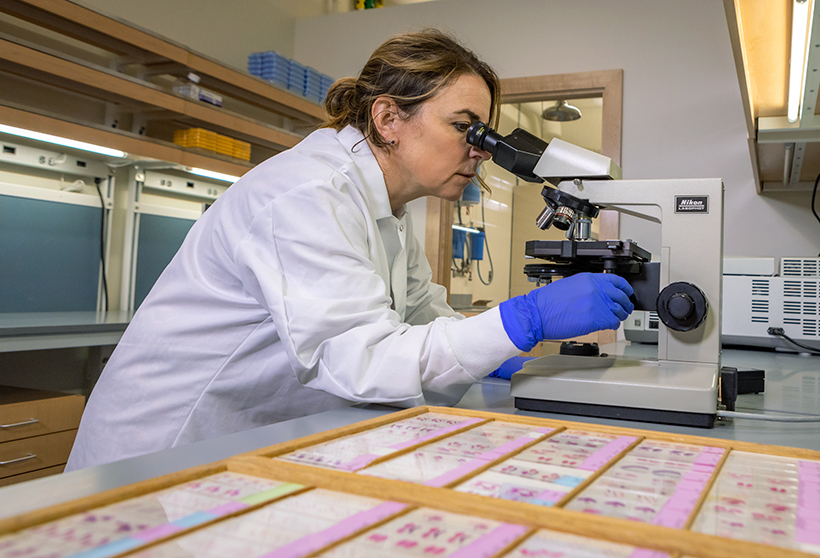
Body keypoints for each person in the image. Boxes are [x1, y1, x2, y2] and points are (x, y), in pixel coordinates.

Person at [66, 30, 633, 471]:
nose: (482, 151)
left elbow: (419, 314)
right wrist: (523, 320)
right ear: (388, 118)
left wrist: (501, 354)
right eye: (466, 127)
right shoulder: (306, 194)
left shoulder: (387, 206)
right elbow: (361, 360)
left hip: (250, 444)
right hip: (164, 451)